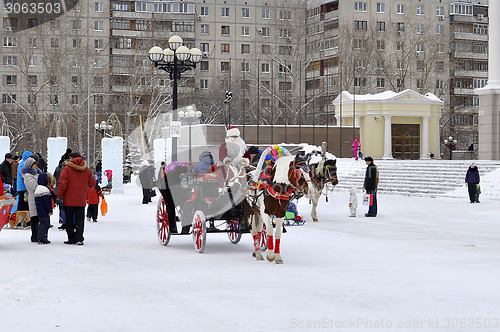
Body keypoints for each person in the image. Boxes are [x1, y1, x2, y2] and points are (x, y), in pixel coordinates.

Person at [57, 152, 96, 245]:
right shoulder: (86, 170)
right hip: (81, 199)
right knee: (80, 220)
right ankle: (79, 238)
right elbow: (92, 184)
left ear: (72, 158)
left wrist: (59, 195)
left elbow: (62, 184)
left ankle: (71, 238)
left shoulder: (66, 169)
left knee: (69, 219)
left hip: (68, 199)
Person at [21, 157, 41, 242]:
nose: (36, 166)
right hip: (33, 197)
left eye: (36, 164)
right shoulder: (27, 175)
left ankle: (38, 235)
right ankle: (34, 236)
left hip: (38, 197)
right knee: (34, 217)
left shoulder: (36, 174)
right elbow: (34, 186)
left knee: (37, 217)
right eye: (34, 165)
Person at [34, 172, 54, 244]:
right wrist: (49, 210)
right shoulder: (45, 190)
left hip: (39, 211)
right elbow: (47, 202)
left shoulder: (37, 189)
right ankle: (42, 238)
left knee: (42, 224)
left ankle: (42, 237)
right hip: (45, 211)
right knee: (46, 224)